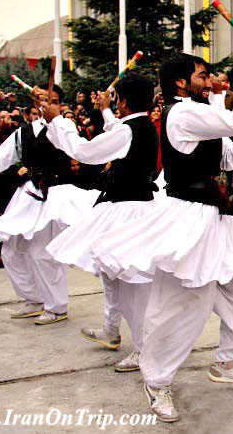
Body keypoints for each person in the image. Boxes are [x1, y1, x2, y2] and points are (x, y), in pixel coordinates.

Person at [89, 53, 233, 423]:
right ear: (180, 81)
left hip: (215, 216)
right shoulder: (180, 113)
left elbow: (227, 158)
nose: (208, 80)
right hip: (188, 217)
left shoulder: (195, 112)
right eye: (202, 74)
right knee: (182, 307)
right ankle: (157, 381)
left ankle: (229, 362)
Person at [41, 73, 158, 374]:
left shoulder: (129, 130)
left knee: (132, 283)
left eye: (116, 99)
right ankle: (111, 328)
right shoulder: (138, 126)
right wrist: (105, 109)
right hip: (127, 206)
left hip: (128, 209)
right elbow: (115, 130)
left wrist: (59, 121)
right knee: (111, 273)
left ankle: (145, 350)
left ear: (125, 100)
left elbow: (84, 152)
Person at [0, 85, 99, 324]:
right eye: (45, 100)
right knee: (11, 250)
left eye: (54, 100)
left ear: (60, 104)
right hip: (28, 195)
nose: (48, 104)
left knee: (41, 253)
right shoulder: (23, 133)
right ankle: (34, 299)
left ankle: (57, 307)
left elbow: (71, 143)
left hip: (54, 196)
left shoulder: (64, 128)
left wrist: (55, 118)